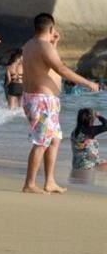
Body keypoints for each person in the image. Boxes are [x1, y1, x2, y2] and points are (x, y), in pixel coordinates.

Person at [21, 13, 99, 194]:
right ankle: (29, 184)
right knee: (41, 142)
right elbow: (61, 69)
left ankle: (49, 181)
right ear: (50, 29)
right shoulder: (43, 46)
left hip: (40, 99)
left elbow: (44, 66)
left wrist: (54, 44)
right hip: (43, 101)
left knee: (54, 140)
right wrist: (88, 83)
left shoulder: (30, 45)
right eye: (53, 30)